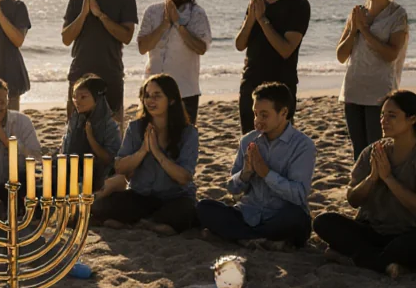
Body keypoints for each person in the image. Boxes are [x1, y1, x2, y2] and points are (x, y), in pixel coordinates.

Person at [314, 91, 416, 277]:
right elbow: (353, 200)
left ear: (412, 119)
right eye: (382, 115)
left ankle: (359, 259)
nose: (383, 120)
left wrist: (389, 179)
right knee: (323, 222)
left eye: (392, 116)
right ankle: (385, 263)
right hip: (375, 232)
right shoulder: (373, 151)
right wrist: (372, 178)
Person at [197, 82, 315, 249]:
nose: (258, 120)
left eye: (264, 115)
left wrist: (266, 174)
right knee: (204, 207)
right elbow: (232, 189)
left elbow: (298, 195)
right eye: (255, 114)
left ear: (283, 113)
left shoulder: (303, 145)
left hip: (279, 217)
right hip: (248, 214)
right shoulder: (248, 140)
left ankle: (242, 237)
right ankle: (263, 240)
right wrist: (245, 173)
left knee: (298, 218)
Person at [92, 74, 199, 236]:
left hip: (174, 197)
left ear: (171, 100)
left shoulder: (188, 132)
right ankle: (149, 223)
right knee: (102, 207)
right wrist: (143, 151)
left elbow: (184, 177)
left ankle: (145, 222)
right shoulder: (135, 128)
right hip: (141, 195)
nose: (150, 100)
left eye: (157, 96)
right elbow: (120, 167)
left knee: (184, 212)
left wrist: (157, 152)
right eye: (147, 95)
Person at [336, 0, 410, 160]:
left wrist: (365, 31)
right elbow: (341, 56)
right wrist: (353, 30)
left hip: (380, 92)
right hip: (353, 90)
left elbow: (391, 54)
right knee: (359, 151)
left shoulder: (397, 15)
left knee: (377, 149)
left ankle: (380, 190)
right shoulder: (358, 12)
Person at [233, 0, 310, 133]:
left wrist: (262, 20)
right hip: (251, 83)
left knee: (279, 146)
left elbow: (286, 49)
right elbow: (240, 44)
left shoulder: (298, 5)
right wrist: (251, 19)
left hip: (281, 87)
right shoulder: (257, 3)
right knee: (250, 143)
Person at [62, 0, 138, 123]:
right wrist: (83, 14)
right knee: (75, 133)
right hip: (80, 73)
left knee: (112, 136)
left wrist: (100, 15)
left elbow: (126, 37)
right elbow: (66, 39)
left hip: (110, 74)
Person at [137, 0, 211, 123]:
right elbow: (142, 47)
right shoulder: (152, 11)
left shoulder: (197, 14)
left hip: (185, 91)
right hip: (152, 90)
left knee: (183, 140)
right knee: (150, 137)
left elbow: (201, 48)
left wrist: (178, 25)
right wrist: (164, 24)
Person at [61, 74, 122, 188]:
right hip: (73, 173)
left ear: (97, 98)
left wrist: (90, 137)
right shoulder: (75, 119)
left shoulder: (109, 126)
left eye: (83, 97)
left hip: (100, 178)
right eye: (74, 97)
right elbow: (65, 150)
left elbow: (109, 160)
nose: (77, 101)